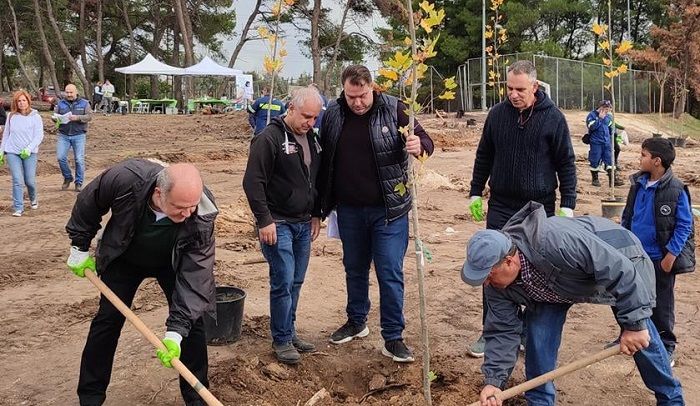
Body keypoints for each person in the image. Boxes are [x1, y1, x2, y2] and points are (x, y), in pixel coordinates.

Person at [462, 201, 685, 406]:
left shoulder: (554, 242)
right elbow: (502, 330)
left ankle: (671, 399)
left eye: (489, 275)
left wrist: (635, 325)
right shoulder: (495, 284)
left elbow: (619, 270)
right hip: (554, 287)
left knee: (641, 338)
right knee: (539, 341)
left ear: (509, 262)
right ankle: (539, 402)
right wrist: (494, 381)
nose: (487, 283)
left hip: (620, 262)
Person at [65, 159, 219, 406]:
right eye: (180, 207)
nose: (188, 213)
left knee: (193, 325)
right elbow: (90, 202)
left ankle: (197, 399)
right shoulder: (126, 180)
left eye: (192, 206)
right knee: (107, 322)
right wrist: (79, 245)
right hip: (125, 257)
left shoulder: (201, 213)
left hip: (173, 262)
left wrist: (176, 332)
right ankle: (90, 397)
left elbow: (196, 275)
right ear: (159, 194)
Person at [317, 64, 434, 363]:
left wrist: (418, 145)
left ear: (373, 88)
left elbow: (427, 143)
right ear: (344, 90)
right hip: (349, 210)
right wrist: (320, 207)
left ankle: (393, 337)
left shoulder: (395, 109)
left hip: (389, 211)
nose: (357, 102)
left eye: (363, 95)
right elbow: (324, 162)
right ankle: (356, 321)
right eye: (351, 96)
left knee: (389, 272)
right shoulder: (332, 113)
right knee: (354, 267)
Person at [467, 59, 577, 357]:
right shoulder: (498, 115)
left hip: (538, 208)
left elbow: (566, 162)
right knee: (494, 266)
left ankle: (529, 331)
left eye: (520, 89)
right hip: (501, 204)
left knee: (536, 268)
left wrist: (568, 204)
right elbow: (484, 154)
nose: (513, 94)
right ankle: (493, 331)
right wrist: (476, 192)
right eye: (509, 88)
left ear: (535, 87)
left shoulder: (553, 118)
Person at [243, 87, 324, 364]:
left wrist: (317, 213)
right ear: (291, 108)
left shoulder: (312, 138)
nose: (310, 123)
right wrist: (264, 220)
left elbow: (315, 179)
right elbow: (253, 182)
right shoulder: (269, 138)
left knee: (296, 281)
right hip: (278, 223)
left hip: (303, 222)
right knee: (283, 280)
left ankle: (289, 332)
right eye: (306, 116)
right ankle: (281, 339)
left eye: (315, 118)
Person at [621, 137, 695, 367]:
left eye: (643, 155)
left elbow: (685, 225)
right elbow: (628, 216)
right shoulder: (638, 184)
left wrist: (670, 256)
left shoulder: (675, 190)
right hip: (636, 257)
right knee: (634, 299)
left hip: (659, 259)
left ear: (656, 161)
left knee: (662, 304)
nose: (639, 158)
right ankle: (634, 337)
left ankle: (666, 346)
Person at [0, 90, 45, 217]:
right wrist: (1, 151)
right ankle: (18, 207)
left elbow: (38, 136)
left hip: (29, 153)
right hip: (13, 152)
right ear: (15, 103)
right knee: (17, 180)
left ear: (28, 101)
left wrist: (29, 149)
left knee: (29, 181)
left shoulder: (35, 117)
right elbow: (6, 135)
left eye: (23, 100)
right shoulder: (11, 116)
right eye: (19, 101)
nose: (21, 103)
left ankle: (33, 198)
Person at [55, 83, 93, 192]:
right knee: (60, 157)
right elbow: (55, 115)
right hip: (64, 134)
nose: (69, 94)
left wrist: (78, 117)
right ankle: (67, 177)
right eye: (67, 92)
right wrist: (56, 119)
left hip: (79, 134)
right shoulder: (60, 103)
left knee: (79, 159)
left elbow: (89, 116)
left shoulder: (84, 103)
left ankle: (79, 182)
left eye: (71, 92)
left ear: (76, 92)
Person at [586, 100, 614, 186]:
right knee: (595, 159)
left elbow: (610, 128)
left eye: (609, 109)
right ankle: (595, 179)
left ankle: (612, 180)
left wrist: (614, 137)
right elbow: (592, 127)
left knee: (610, 160)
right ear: (601, 108)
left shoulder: (608, 116)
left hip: (606, 142)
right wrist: (600, 118)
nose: (607, 111)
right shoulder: (592, 115)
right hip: (596, 142)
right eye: (606, 108)